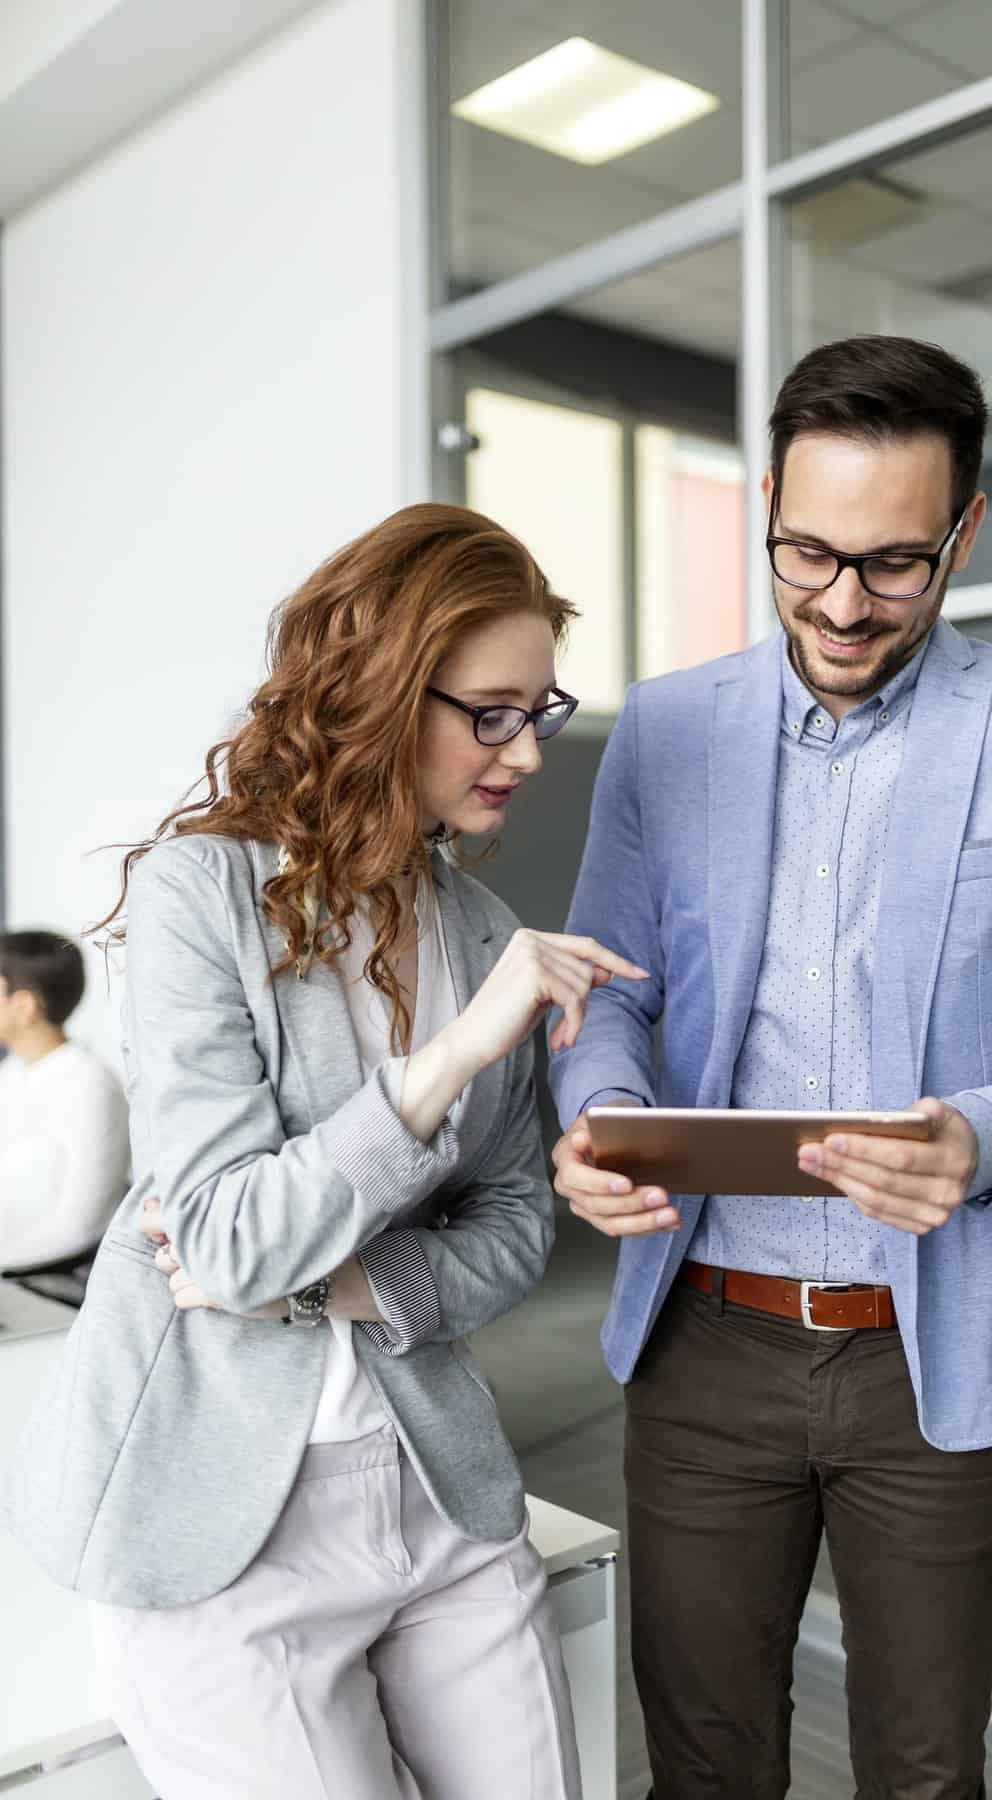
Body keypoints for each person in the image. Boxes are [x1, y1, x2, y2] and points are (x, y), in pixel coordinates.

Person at [549, 335, 992, 1800]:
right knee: (705, 1765)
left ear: (963, 532)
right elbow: (606, 994)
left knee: (922, 1769)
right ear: (770, 501)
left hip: (938, 1350)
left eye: (896, 564)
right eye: (810, 552)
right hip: (705, 1343)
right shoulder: (665, 730)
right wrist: (604, 1116)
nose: (844, 603)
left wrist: (984, 1134)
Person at [4, 503, 647, 1800]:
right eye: (493, 712)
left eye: (542, 710)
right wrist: (453, 1056)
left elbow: (518, 1224)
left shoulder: (477, 926)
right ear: (383, 691)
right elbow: (230, 1232)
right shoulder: (200, 895)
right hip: (216, 1527)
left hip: (435, 1488)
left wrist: (352, 1284)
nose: (524, 752)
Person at [0, 930, 128, 1271]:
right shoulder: (11, 1075)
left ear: (24, 1006)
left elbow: (80, 1226)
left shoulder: (90, 1086)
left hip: (46, 1286)